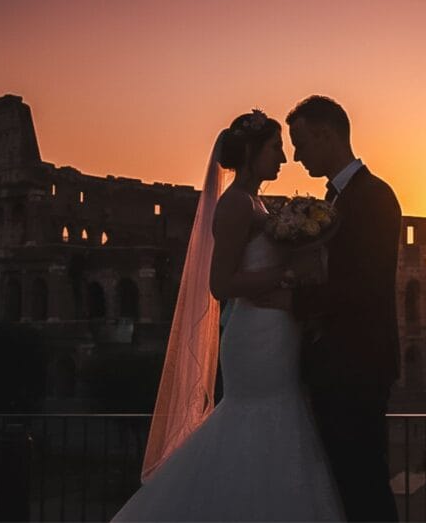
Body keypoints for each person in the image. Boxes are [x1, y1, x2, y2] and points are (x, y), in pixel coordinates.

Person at [112, 110, 342, 521]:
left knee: (278, 420)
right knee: (256, 419)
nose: (283, 158)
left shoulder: (254, 203)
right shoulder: (236, 204)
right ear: (251, 152)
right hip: (256, 336)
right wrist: (287, 275)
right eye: (275, 148)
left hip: (275, 331)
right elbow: (221, 283)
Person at [287, 96, 402, 522]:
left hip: (358, 367)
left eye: (300, 143)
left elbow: (365, 286)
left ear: (325, 135)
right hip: (339, 367)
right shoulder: (339, 199)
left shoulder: (373, 197)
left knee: (364, 486)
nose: (296, 156)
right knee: (348, 486)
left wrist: (293, 301)